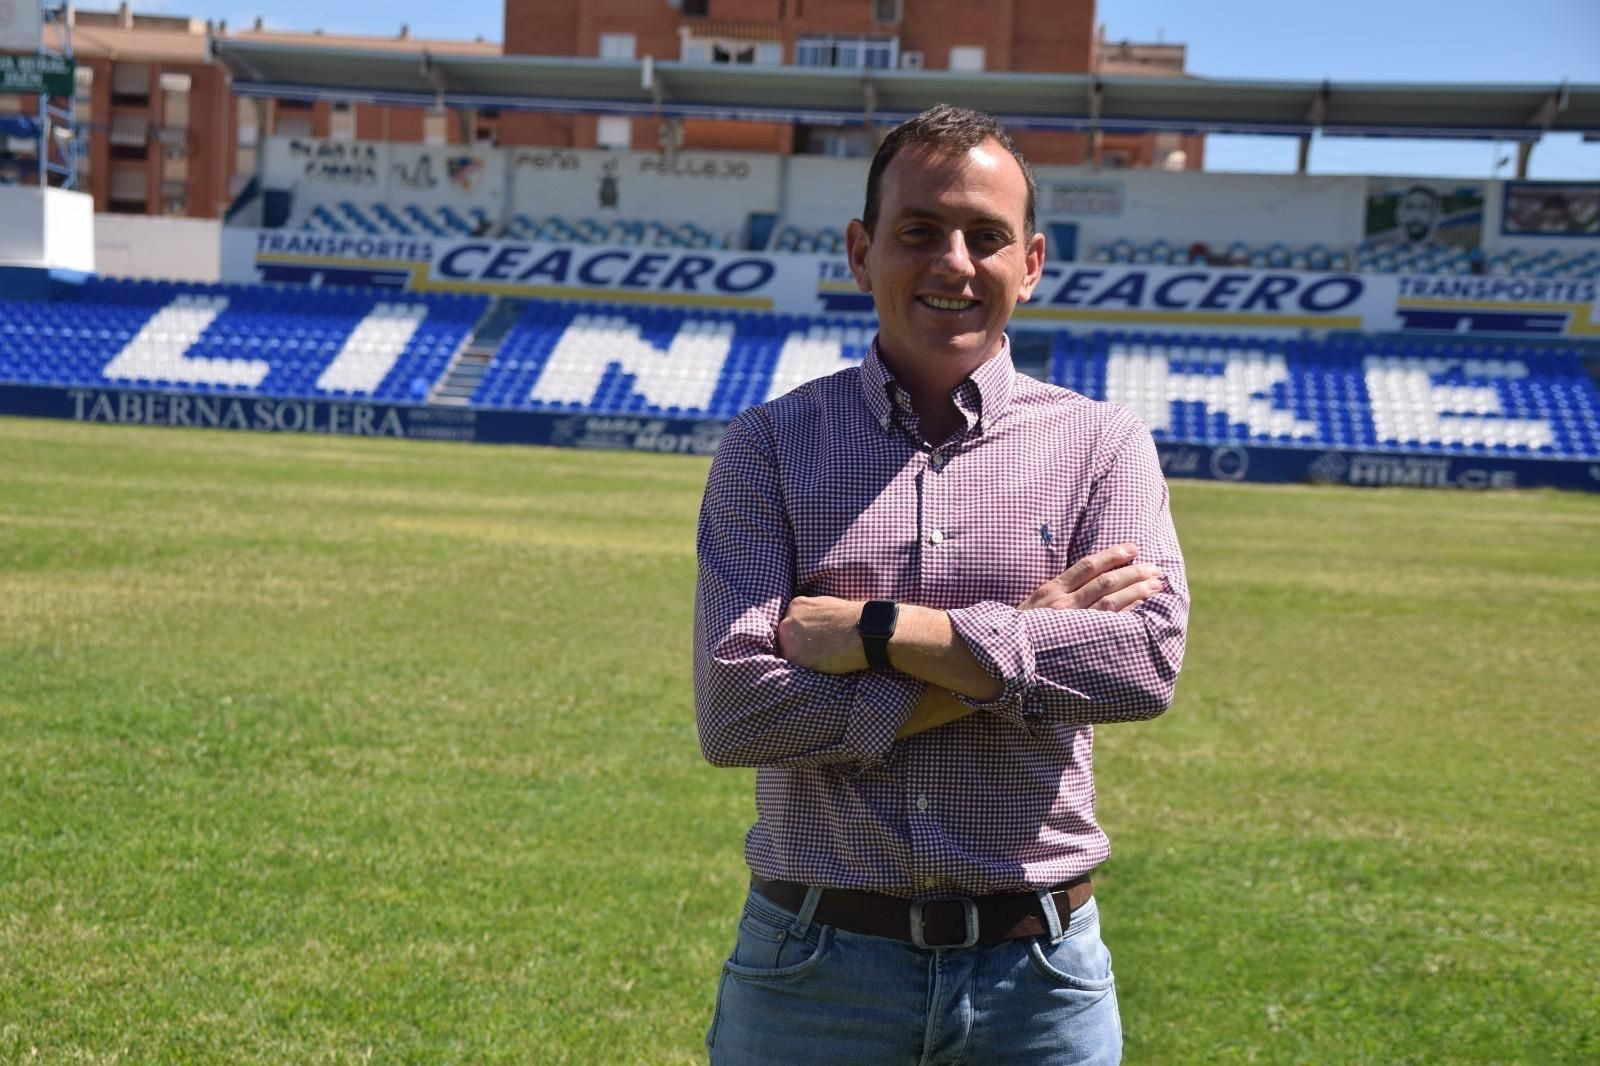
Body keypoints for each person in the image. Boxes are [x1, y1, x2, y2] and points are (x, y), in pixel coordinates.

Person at [693, 103, 1190, 1065]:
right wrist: (1027, 640)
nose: (953, 262)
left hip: (1038, 983)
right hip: (814, 971)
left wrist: (881, 633)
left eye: (986, 236)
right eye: (919, 231)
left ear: (1031, 262)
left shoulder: (1101, 446)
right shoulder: (769, 447)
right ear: (860, 250)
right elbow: (738, 716)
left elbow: (1143, 667)